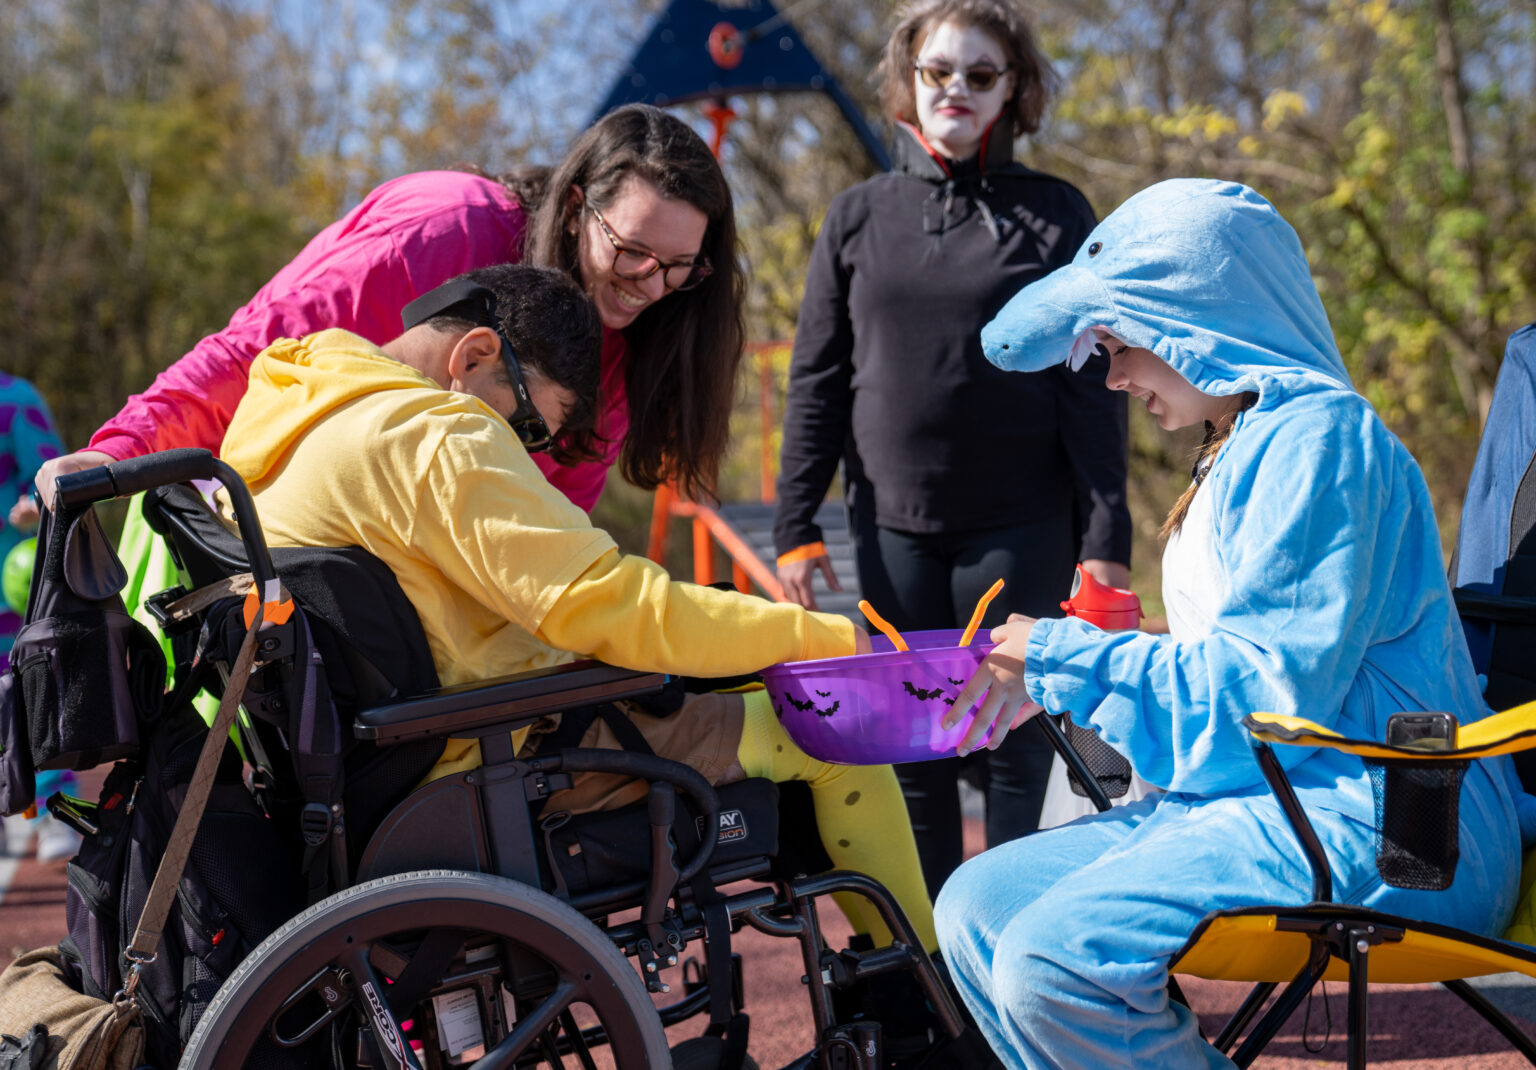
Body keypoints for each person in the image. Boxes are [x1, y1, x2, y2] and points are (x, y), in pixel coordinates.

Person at [212, 263, 951, 1010]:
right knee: (830, 738)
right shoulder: (438, 435)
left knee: (729, 672)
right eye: (529, 424)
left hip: (365, 768)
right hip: (486, 759)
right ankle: (931, 1003)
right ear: (473, 357)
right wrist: (821, 636)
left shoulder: (292, 400)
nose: (523, 448)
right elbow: (608, 604)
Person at [931, 178, 1534, 1069]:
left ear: (1199, 320)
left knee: (1056, 956)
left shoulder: (1324, 440)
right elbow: (1246, 680)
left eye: (1124, 341)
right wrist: (1058, 683)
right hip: (1277, 796)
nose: (1116, 375)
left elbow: (1264, 689)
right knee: (976, 905)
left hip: (1401, 825)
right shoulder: (1240, 448)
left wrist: (1064, 660)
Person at [772, 0, 1131, 899]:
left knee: (1012, 748)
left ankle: (1007, 960)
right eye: (940, 72)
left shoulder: (1057, 215)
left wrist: (1108, 543)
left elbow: (1094, 395)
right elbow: (817, 381)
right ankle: (930, 979)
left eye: (981, 74)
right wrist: (793, 526)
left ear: (1013, 90)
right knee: (912, 763)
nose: (958, 91)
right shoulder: (855, 217)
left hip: (1022, 525)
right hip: (892, 528)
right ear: (908, 79)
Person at [27, 102, 741, 514]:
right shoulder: (444, 235)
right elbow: (254, 354)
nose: (648, 284)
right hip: (268, 530)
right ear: (580, 208)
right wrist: (115, 453)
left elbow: (549, 513)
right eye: (632, 252)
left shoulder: (638, 331)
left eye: (679, 268)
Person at [0, 374, 80, 862]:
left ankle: (54, 806)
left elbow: (56, 477)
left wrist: (35, 507)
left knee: (36, 692)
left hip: (13, 588)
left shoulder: (15, 399)